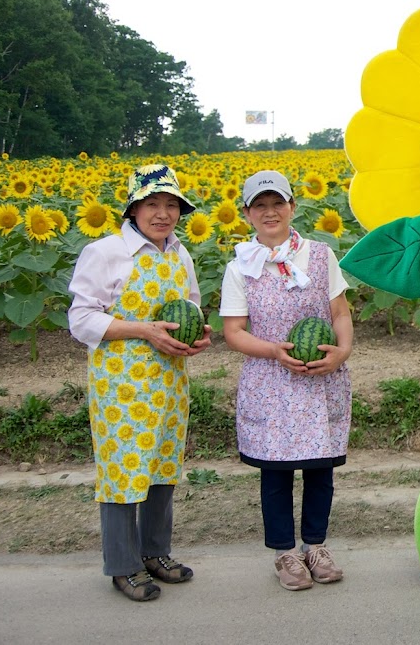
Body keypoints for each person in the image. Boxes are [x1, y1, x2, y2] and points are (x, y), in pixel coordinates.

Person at [68, 164, 212, 601]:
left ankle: (155, 553)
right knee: (122, 472)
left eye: (172, 205)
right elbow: (81, 318)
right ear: (133, 208)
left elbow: (189, 307)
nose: (164, 213)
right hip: (121, 384)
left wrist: (197, 336)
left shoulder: (179, 254)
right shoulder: (106, 252)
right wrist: (144, 329)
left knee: (162, 466)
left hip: (168, 380)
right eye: (153, 204)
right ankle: (123, 566)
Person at [220, 170, 353, 591]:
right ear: (247, 213)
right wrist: (275, 350)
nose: (270, 212)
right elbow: (234, 332)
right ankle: (285, 554)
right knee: (275, 472)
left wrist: (342, 352)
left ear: (293, 207)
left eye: (277, 203)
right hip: (270, 381)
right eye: (260, 205)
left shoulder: (319, 255)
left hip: (320, 378)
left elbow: (340, 314)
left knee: (320, 469)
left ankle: (316, 546)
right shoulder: (239, 267)